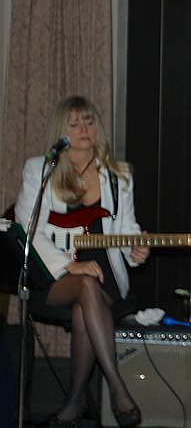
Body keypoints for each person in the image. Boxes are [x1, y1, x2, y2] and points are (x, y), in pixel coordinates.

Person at [15, 96, 147, 428]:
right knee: (85, 284)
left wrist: (136, 249)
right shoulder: (40, 168)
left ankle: (73, 403)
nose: (83, 129)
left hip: (106, 277)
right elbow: (28, 229)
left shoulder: (119, 174)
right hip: (55, 276)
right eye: (73, 124)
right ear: (60, 132)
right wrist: (68, 265)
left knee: (83, 307)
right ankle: (118, 388)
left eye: (88, 121)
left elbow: (128, 227)